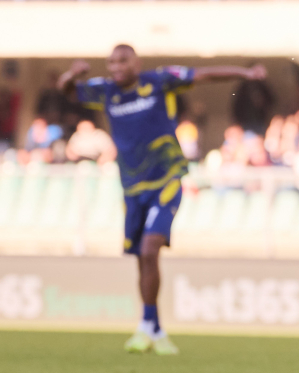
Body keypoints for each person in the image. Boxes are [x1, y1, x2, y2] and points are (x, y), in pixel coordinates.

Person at [57, 46, 266, 355]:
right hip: (132, 187)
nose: (116, 67)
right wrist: (72, 74)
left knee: (150, 247)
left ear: (136, 63)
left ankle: (148, 327)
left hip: (167, 180)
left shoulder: (159, 81)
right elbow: (66, 91)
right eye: (111, 62)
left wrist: (245, 73)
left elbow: (205, 75)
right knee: (143, 257)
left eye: (122, 61)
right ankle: (152, 327)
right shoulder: (106, 91)